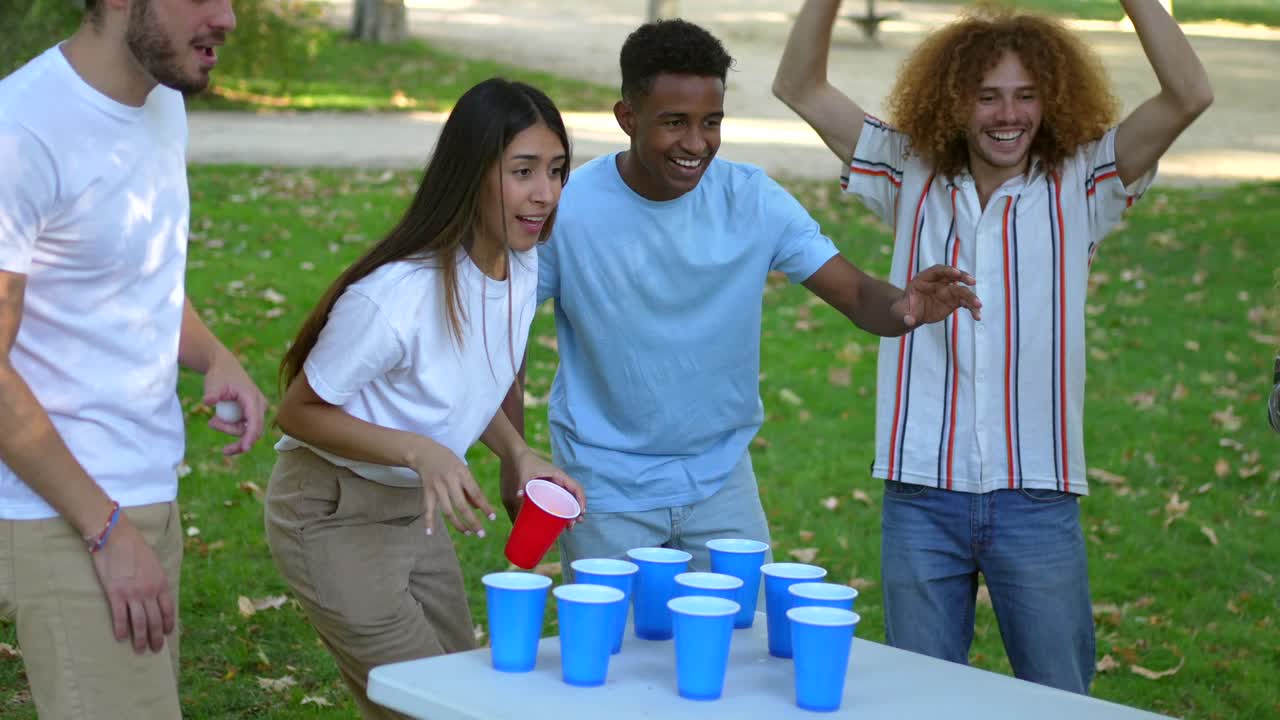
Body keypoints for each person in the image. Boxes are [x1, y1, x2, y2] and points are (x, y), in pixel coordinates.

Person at [774, 0, 1212, 694]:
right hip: (920, 492)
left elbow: (1190, 94)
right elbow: (799, 86)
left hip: (1035, 496)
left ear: (1051, 100)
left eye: (1025, 96)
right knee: (922, 702)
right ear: (955, 101)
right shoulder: (908, 172)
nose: (1008, 115)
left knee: (1060, 701)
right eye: (987, 97)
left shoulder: (1085, 182)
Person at [506, 18, 981, 579]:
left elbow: (853, 291)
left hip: (720, 480)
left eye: (712, 122)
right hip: (606, 484)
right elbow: (505, 338)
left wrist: (908, 307)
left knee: (745, 653)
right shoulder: (569, 209)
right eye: (674, 123)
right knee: (619, 659)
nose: (696, 142)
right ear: (627, 118)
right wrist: (514, 460)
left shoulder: (751, 197)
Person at [264, 78, 587, 720]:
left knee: (467, 700)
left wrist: (516, 452)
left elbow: (463, 380)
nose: (544, 192)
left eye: (555, 170)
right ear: (472, 173)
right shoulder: (395, 295)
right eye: (523, 171)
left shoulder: (520, 266)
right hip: (331, 513)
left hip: (417, 512)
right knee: (430, 708)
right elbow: (297, 412)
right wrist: (420, 451)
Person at [0, 1, 268, 717]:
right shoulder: (19, 130)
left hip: (147, 492)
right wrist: (105, 530)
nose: (229, 18)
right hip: (68, 515)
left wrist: (214, 354)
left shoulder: (159, 103)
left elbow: (133, 277)